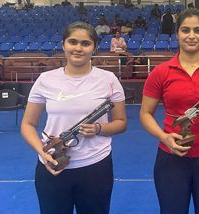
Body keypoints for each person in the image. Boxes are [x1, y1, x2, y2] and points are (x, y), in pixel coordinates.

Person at [20, 21, 127, 214]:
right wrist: (42, 152)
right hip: (52, 165)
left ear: (94, 47)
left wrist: (98, 129)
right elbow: (27, 124)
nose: (78, 48)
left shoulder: (109, 79)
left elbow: (121, 123)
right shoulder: (45, 80)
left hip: (96, 167)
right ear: (63, 44)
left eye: (85, 43)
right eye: (73, 42)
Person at [139, 8, 199, 214]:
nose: (191, 36)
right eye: (185, 30)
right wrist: (164, 137)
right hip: (171, 157)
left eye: (197, 30)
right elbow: (145, 114)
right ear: (177, 34)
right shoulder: (161, 72)